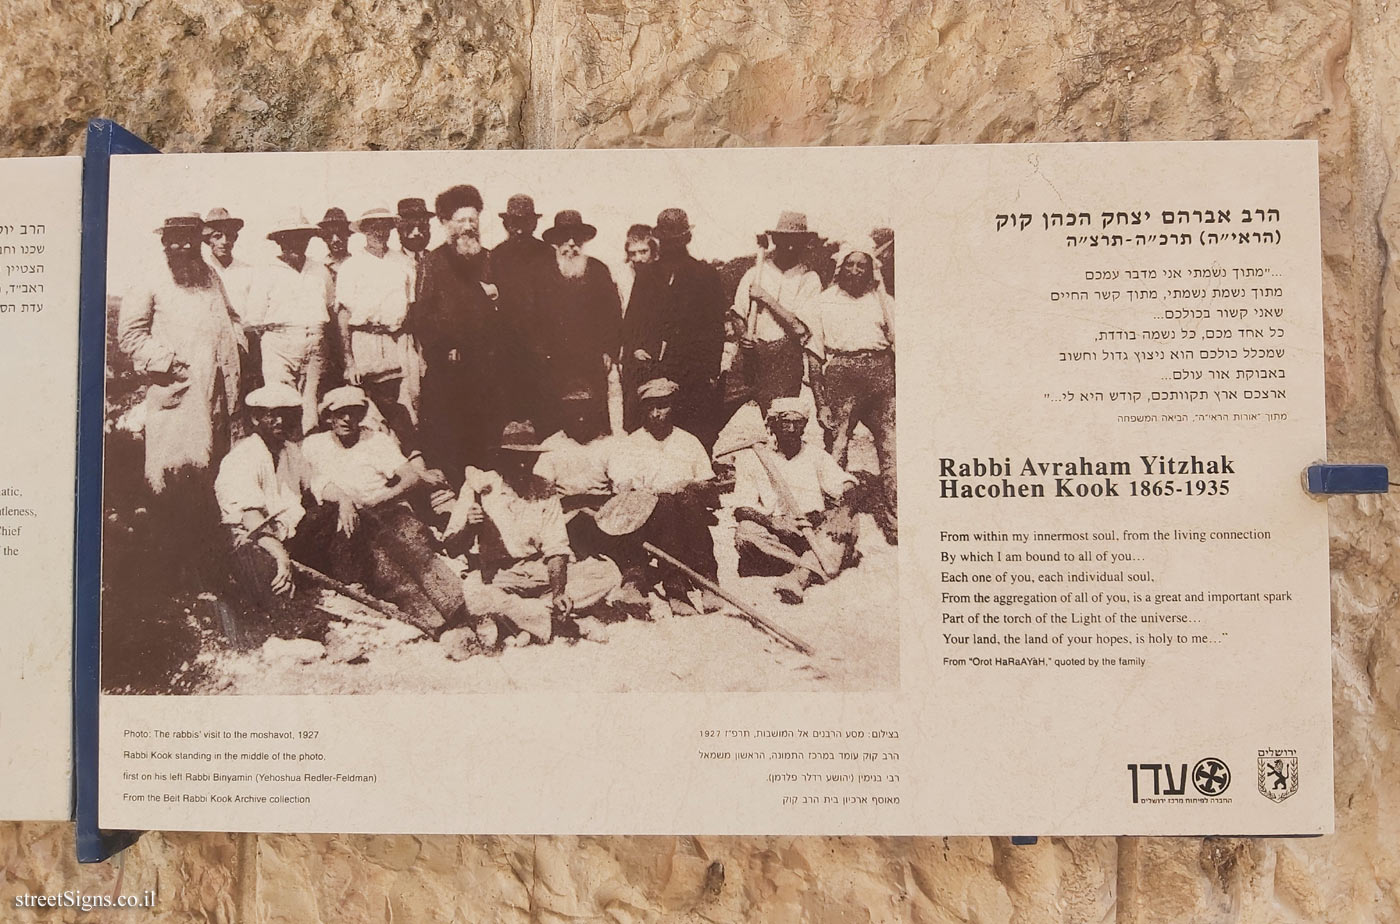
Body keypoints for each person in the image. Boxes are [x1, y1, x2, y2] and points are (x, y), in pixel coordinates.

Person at [301, 386, 466, 636]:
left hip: (384, 508)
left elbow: (410, 477)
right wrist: (346, 502)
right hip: (344, 517)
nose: (348, 419)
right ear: (328, 417)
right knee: (383, 563)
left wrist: (381, 499)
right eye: (341, 413)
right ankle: (436, 623)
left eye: (354, 413)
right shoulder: (314, 445)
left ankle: (459, 608)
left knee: (413, 548)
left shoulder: (375, 440)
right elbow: (317, 484)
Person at [444, 421, 623, 645]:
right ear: (501, 457)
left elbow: (556, 547)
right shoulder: (479, 487)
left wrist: (558, 592)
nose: (522, 465)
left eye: (529, 458)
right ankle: (558, 622)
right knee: (473, 591)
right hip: (500, 576)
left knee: (607, 572)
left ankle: (527, 618)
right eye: (515, 458)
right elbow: (451, 548)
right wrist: (470, 527)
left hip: (540, 572)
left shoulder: (544, 488)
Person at [119, 213, 242, 494]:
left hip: (220, 386)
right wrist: (171, 365)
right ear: (165, 242)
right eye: (175, 241)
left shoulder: (209, 275)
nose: (183, 246)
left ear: (199, 241)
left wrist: (236, 349)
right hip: (178, 388)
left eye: (189, 240)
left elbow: (232, 316)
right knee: (176, 471)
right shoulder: (149, 278)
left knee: (220, 464)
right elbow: (130, 336)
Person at [214, 383, 360, 610]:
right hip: (254, 542)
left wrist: (344, 499)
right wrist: (281, 556)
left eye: (287, 416)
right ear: (256, 419)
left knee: (332, 513)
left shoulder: (290, 451)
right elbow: (252, 520)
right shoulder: (241, 458)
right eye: (273, 417)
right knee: (275, 590)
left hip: (287, 538)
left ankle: (347, 586)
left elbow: (317, 482)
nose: (281, 423)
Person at [407, 184, 505, 481]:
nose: (467, 227)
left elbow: (504, 312)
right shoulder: (432, 262)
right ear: (446, 225)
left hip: (485, 367)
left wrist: (497, 299)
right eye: (460, 221)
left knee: (484, 436)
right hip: (448, 367)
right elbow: (421, 315)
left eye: (472, 221)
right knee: (450, 439)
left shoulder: (489, 259)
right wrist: (443, 345)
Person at [729, 398, 861, 604]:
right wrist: (774, 524)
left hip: (813, 528)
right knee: (745, 533)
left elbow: (848, 486)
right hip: (776, 531)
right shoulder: (753, 459)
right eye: (785, 422)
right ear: (772, 425)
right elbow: (742, 508)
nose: (791, 429)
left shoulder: (816, 456)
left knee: (849, 523)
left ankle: (798, 577)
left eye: (797, 423)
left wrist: (843, 513)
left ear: (805, 425)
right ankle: (812, 564)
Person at [807, 241, 897, 542]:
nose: (856, 271)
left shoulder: (884, 301)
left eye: (862, 265)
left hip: (881, 373)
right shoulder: (823, 302)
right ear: (840, 267)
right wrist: (821, 402)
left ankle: (895, 516)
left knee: (891, 446)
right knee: (837, 446)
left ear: (871, 270)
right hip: (842, 375)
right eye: (850, 264)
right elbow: (814, 354)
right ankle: (835, 515)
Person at [607, 378, 722, 614]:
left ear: (673, 406)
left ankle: (708, 582)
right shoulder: (630, 445)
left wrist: (687, 484)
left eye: (663, 406)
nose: (657, 413)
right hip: (648, 518)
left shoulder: (688, 442)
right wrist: (649, 493)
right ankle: (675, 587)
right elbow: (623, 489)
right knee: (666, 504)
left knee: (685, 499)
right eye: (650, 407)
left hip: (689, 516)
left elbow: (709, 485)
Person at [622, 208, 727, 448]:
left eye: (676, 240)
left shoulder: (705, 274)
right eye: (667, 240)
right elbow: (632, 323)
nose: (671, 245)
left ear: (686, 239)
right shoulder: (647, 275)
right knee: (650, 433)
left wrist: (709, 371)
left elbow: (714, 329)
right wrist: (636, 349)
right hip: (651, 369)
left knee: (693, 434)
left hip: (692, 373)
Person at [334, 207, 417, 445]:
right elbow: (343, 314)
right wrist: (349, 361)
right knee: (369, 404)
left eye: (384, 226)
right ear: (364, 231)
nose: (379, 232)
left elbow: (410, 308)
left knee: (402, 403)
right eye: (373, 227)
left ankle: (405, 456)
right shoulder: (352, 266)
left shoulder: (403, 263)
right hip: (364, 339)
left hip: (396, 339)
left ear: (391, 229)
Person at [247, 211, 334, 434]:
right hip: (279, 344)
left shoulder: (320, 270)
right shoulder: (266, 272)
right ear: (279, 241)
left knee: (311, 405)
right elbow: (255, 321)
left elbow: (330, 307)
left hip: (314, 343)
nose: (296, 244)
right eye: (289, 239)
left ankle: (309, 457)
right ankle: (286, 459)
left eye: (302, 238)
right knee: (281, 404)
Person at [533, 209, 621, 426]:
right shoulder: (541, 273)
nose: (571, 244)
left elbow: (613, 313)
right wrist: (541, 352)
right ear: (556, 242)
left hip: (590, 361)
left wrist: (609, 350)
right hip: (555, 362)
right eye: (565, 238)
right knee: (557, 420)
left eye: (576, 238)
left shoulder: (598, 270)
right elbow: (533, 317)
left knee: (594, 419)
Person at [730, 211, 822, 412]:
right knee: (716, 413)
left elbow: (800, 329)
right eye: (784, 240)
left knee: (782, 423)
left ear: (803, 243)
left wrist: (766, 298)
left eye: (795, 241)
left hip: (785, 361)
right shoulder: (756, 273)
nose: (789, 246)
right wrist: (743, 334)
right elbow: (737, 314)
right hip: (749, 357)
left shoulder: (810, 279)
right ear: (775, 240)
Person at [488, 194, 553, 423]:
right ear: (506, 224)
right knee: (510, 410)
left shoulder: (548, 254)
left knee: (543, 409)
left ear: (534, 224)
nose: (518, 229)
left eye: (524, 223)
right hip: (508, 348)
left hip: (543, 347)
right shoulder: (495, 256)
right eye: (514, 223)